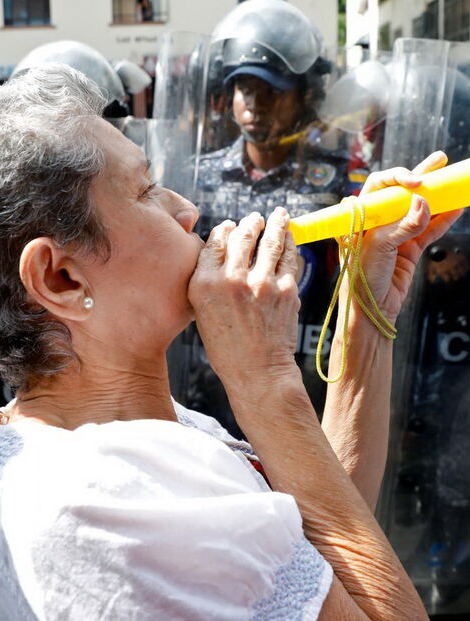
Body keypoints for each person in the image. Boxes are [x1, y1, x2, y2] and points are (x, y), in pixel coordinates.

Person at [0, 63, 462, 620]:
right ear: (61, 279)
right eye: (146, 190)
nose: (187, 211)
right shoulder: (101, 507)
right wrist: (263, 380)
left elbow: (322, 531)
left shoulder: (126, 434)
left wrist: (365, 305)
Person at [181, 0, 368, 435]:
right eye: (244, 89)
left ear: (304, 96)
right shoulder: (197, 176)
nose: (255, 104)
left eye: (272, 91)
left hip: (308, 381)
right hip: (211, 388)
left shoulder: (343, 179)